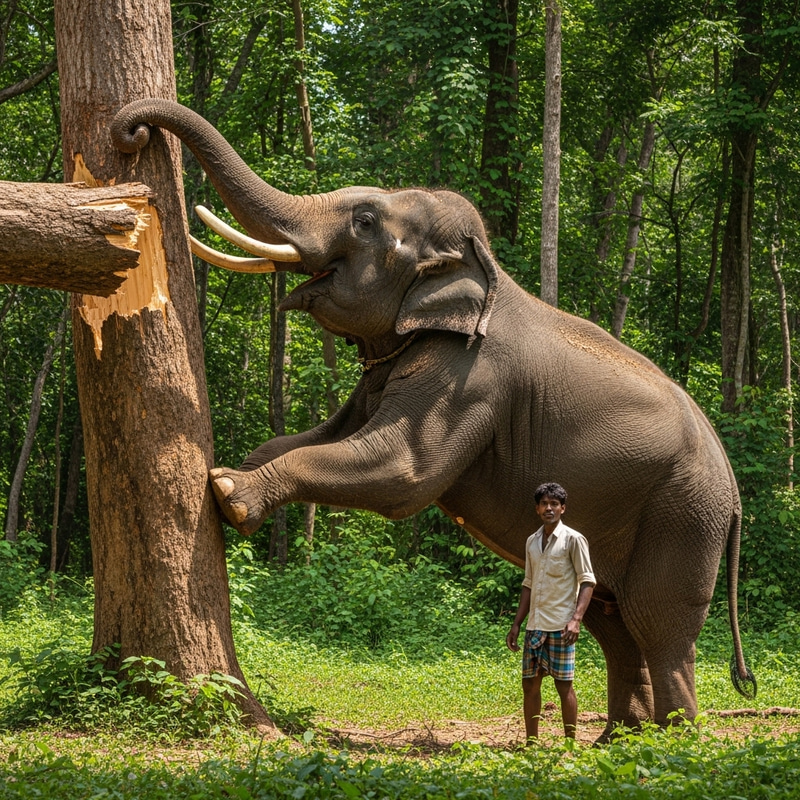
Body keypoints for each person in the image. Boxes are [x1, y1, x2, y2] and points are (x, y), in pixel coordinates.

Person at [506, 482, 595, 741]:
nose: (549, 508)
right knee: (530, 685)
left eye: (554, 504)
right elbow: (528, 584)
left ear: (562, 508)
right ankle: (531, 742)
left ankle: (570, 743)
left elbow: (587, 580)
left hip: (561, 626)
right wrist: (517, 624)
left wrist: (576, 619)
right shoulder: (532, 542)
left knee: (563, 686)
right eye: (544, 503)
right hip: (535, 625)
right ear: (537, 509)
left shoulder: (573, 540)